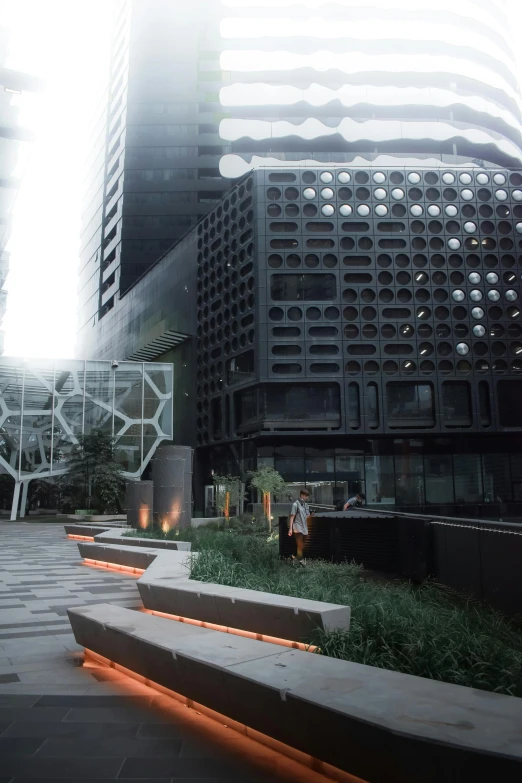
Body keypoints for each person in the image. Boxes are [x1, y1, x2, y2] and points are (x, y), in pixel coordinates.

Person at [288, 488, 311, 565]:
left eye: (307, 496)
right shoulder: (295, 504)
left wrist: (311, 514)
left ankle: (293, 556)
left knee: (301, 545)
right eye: (306, 496)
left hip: (304, 527)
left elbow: (307, 516)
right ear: (302, 495)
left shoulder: (306, 505)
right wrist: (290, 529)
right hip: (297, 527)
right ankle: (301, 561)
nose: (307, 497)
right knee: (300, 544)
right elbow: (292, 516)